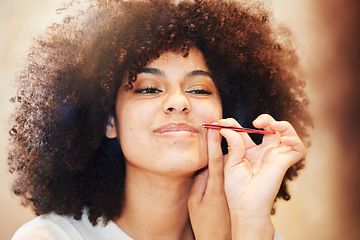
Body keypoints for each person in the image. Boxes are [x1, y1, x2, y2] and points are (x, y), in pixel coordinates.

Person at [8, 0, 312, 239]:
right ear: (108, 122)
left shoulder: (254, 232)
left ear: (225, 115)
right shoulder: (51, 237)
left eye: (198, 89)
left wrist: (248, 221)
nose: (179, 102)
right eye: (149, 89)